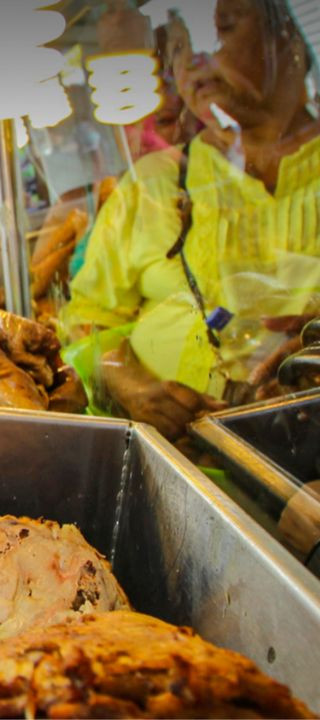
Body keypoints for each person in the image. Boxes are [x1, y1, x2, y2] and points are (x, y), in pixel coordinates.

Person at [61, 0, 320, 441]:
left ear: (291, 39)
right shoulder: (154, 182)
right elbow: (86, 322)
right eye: (177, 47)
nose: (192, 60)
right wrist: (130, 384)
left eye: (220, 29)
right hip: (184, 463)